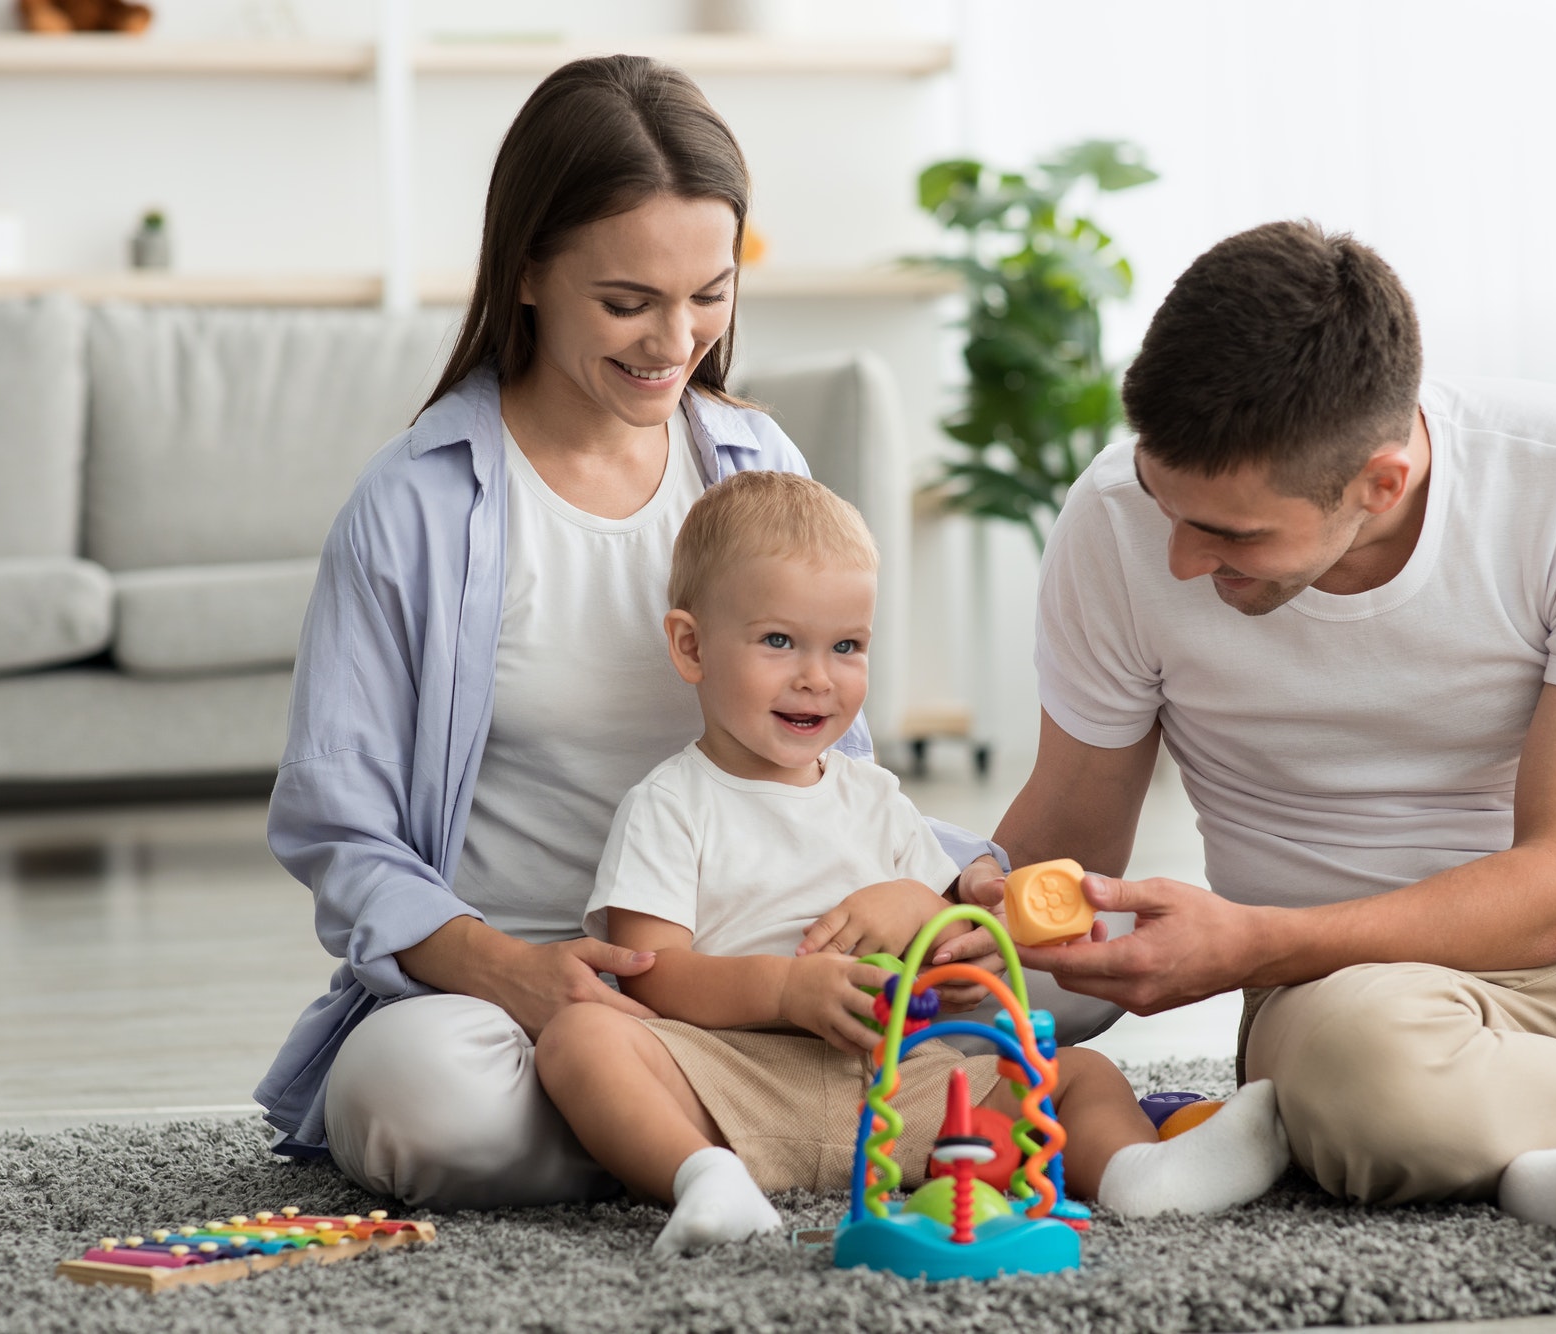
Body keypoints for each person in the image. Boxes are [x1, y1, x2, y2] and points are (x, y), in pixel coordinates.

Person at [988, 219, 1556, 1247]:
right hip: (1349, 997)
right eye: (1167, 505)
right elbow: (1061, 843)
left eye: (1228, 532)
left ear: (1378, 483)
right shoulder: (1112, 522)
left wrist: (1246, 940)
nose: (1176, 557)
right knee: (1371, 1086)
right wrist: (955, 916)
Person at [252, 56, 1007, 1209]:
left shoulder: (756, 461)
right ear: (527, 273)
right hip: (526, 988)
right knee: (420, 1100)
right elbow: (339, 829)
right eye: (627, 302)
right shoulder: (415, 502)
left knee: (1039, 952)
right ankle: (785, 1122)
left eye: (709, 293)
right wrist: (515, 972)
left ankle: (683, 1129)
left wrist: (958, 885)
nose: (676, 339)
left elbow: (825, 769)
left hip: (763, 965)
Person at [544, 470, 1285, 1255]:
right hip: (738, 1089)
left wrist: (943, 920)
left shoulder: (877, 799)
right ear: (690, 646)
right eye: (777, 641)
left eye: (847, 647)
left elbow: (960, 968)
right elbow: (651, 974)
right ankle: (703, 1180)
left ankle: (1139, 1173)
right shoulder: (671, 803)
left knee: (1077, 1072)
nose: (816, 676)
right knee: (581, 1039)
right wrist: (788, 990)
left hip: (903, 1096)